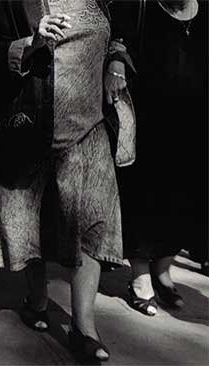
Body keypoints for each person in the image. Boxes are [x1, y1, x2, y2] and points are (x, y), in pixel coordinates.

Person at [0, 0, 132, 362]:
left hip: (90, 127)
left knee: (93, 220)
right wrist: (28, 43)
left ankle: (84, 327)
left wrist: (117, 60)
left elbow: (120, 36)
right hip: (30, 126)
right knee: (31, 221)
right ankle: (38, 299)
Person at [114, 0, 208, 316]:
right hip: (149, 126)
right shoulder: (138, 7)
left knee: (182, 201)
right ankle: (140, 277)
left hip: (195, 129)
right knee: (143, 198)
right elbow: (115, 45)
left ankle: (163, 270)